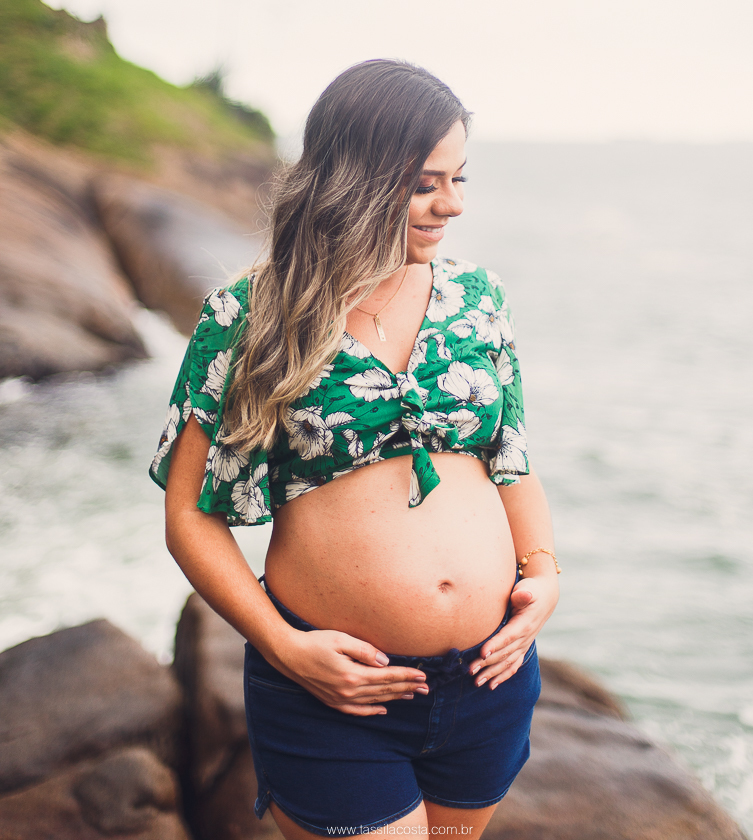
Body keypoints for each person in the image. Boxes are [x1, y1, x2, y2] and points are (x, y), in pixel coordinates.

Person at [151, 59, 560, 840]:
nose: (454, 205)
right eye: (425, 184)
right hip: (333, 694)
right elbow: (190, 515)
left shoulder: (478, 300)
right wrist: (282, 645)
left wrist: (544, 574)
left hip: (489, 681)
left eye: (460, 178)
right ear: (356, 181)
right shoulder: (247, 317)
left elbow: (511, 460)